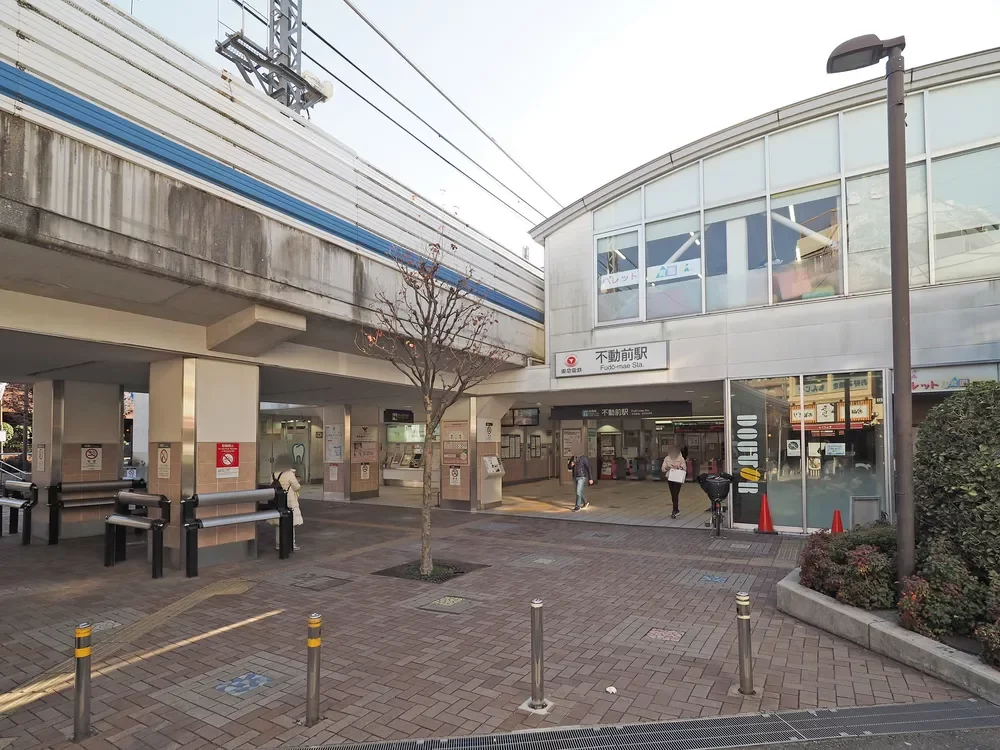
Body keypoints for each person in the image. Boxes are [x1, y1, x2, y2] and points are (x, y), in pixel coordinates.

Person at [269, 454, 303, 551]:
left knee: (278, 523)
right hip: (289, 501)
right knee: (290, 522)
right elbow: (297, 487)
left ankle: (278, 544)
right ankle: (291, 543)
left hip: (278, 500)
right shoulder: (289, 473)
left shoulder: (274, 473)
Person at [661, 445, 687, 519]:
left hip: (677, 478)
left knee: (675, 494)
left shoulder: (681, 458)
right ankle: (676, 509)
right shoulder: (667, 458)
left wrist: (679, 467)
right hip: (670, 477)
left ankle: (674, 510)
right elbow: (663, 468)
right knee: (673, 494)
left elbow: (684, 467)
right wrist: (667, 467)